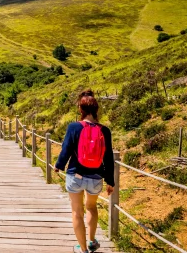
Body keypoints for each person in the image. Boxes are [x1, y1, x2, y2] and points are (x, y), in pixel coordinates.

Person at [54, 89, 114, 253]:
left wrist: (58, 165)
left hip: (75, 175)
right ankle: (92, 241)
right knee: (91, 208)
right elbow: (108, 158)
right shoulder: (104, 130)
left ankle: (82, 249)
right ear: (96, 110)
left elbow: (66, 149)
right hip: (95, 177)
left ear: (81, 110)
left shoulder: (74, 127)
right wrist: (110, 181)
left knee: (76, 212)